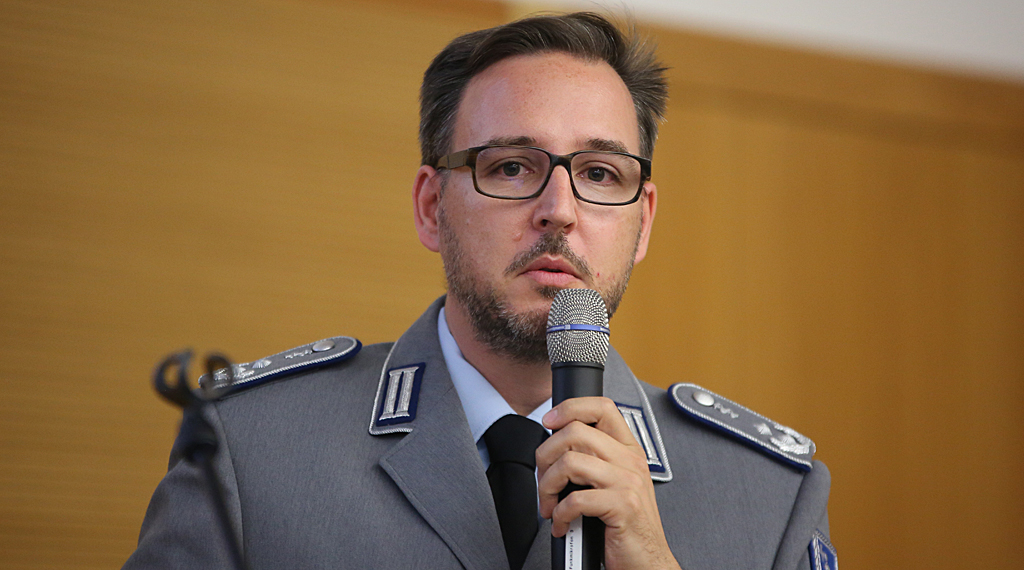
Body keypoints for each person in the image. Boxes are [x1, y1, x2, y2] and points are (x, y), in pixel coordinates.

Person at [124, 12, 835, 570]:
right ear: (431, 206)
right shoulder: (251, 450)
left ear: (642, 223)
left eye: (599, 174)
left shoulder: (769, 495)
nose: (560, 209)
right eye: (513, 167)